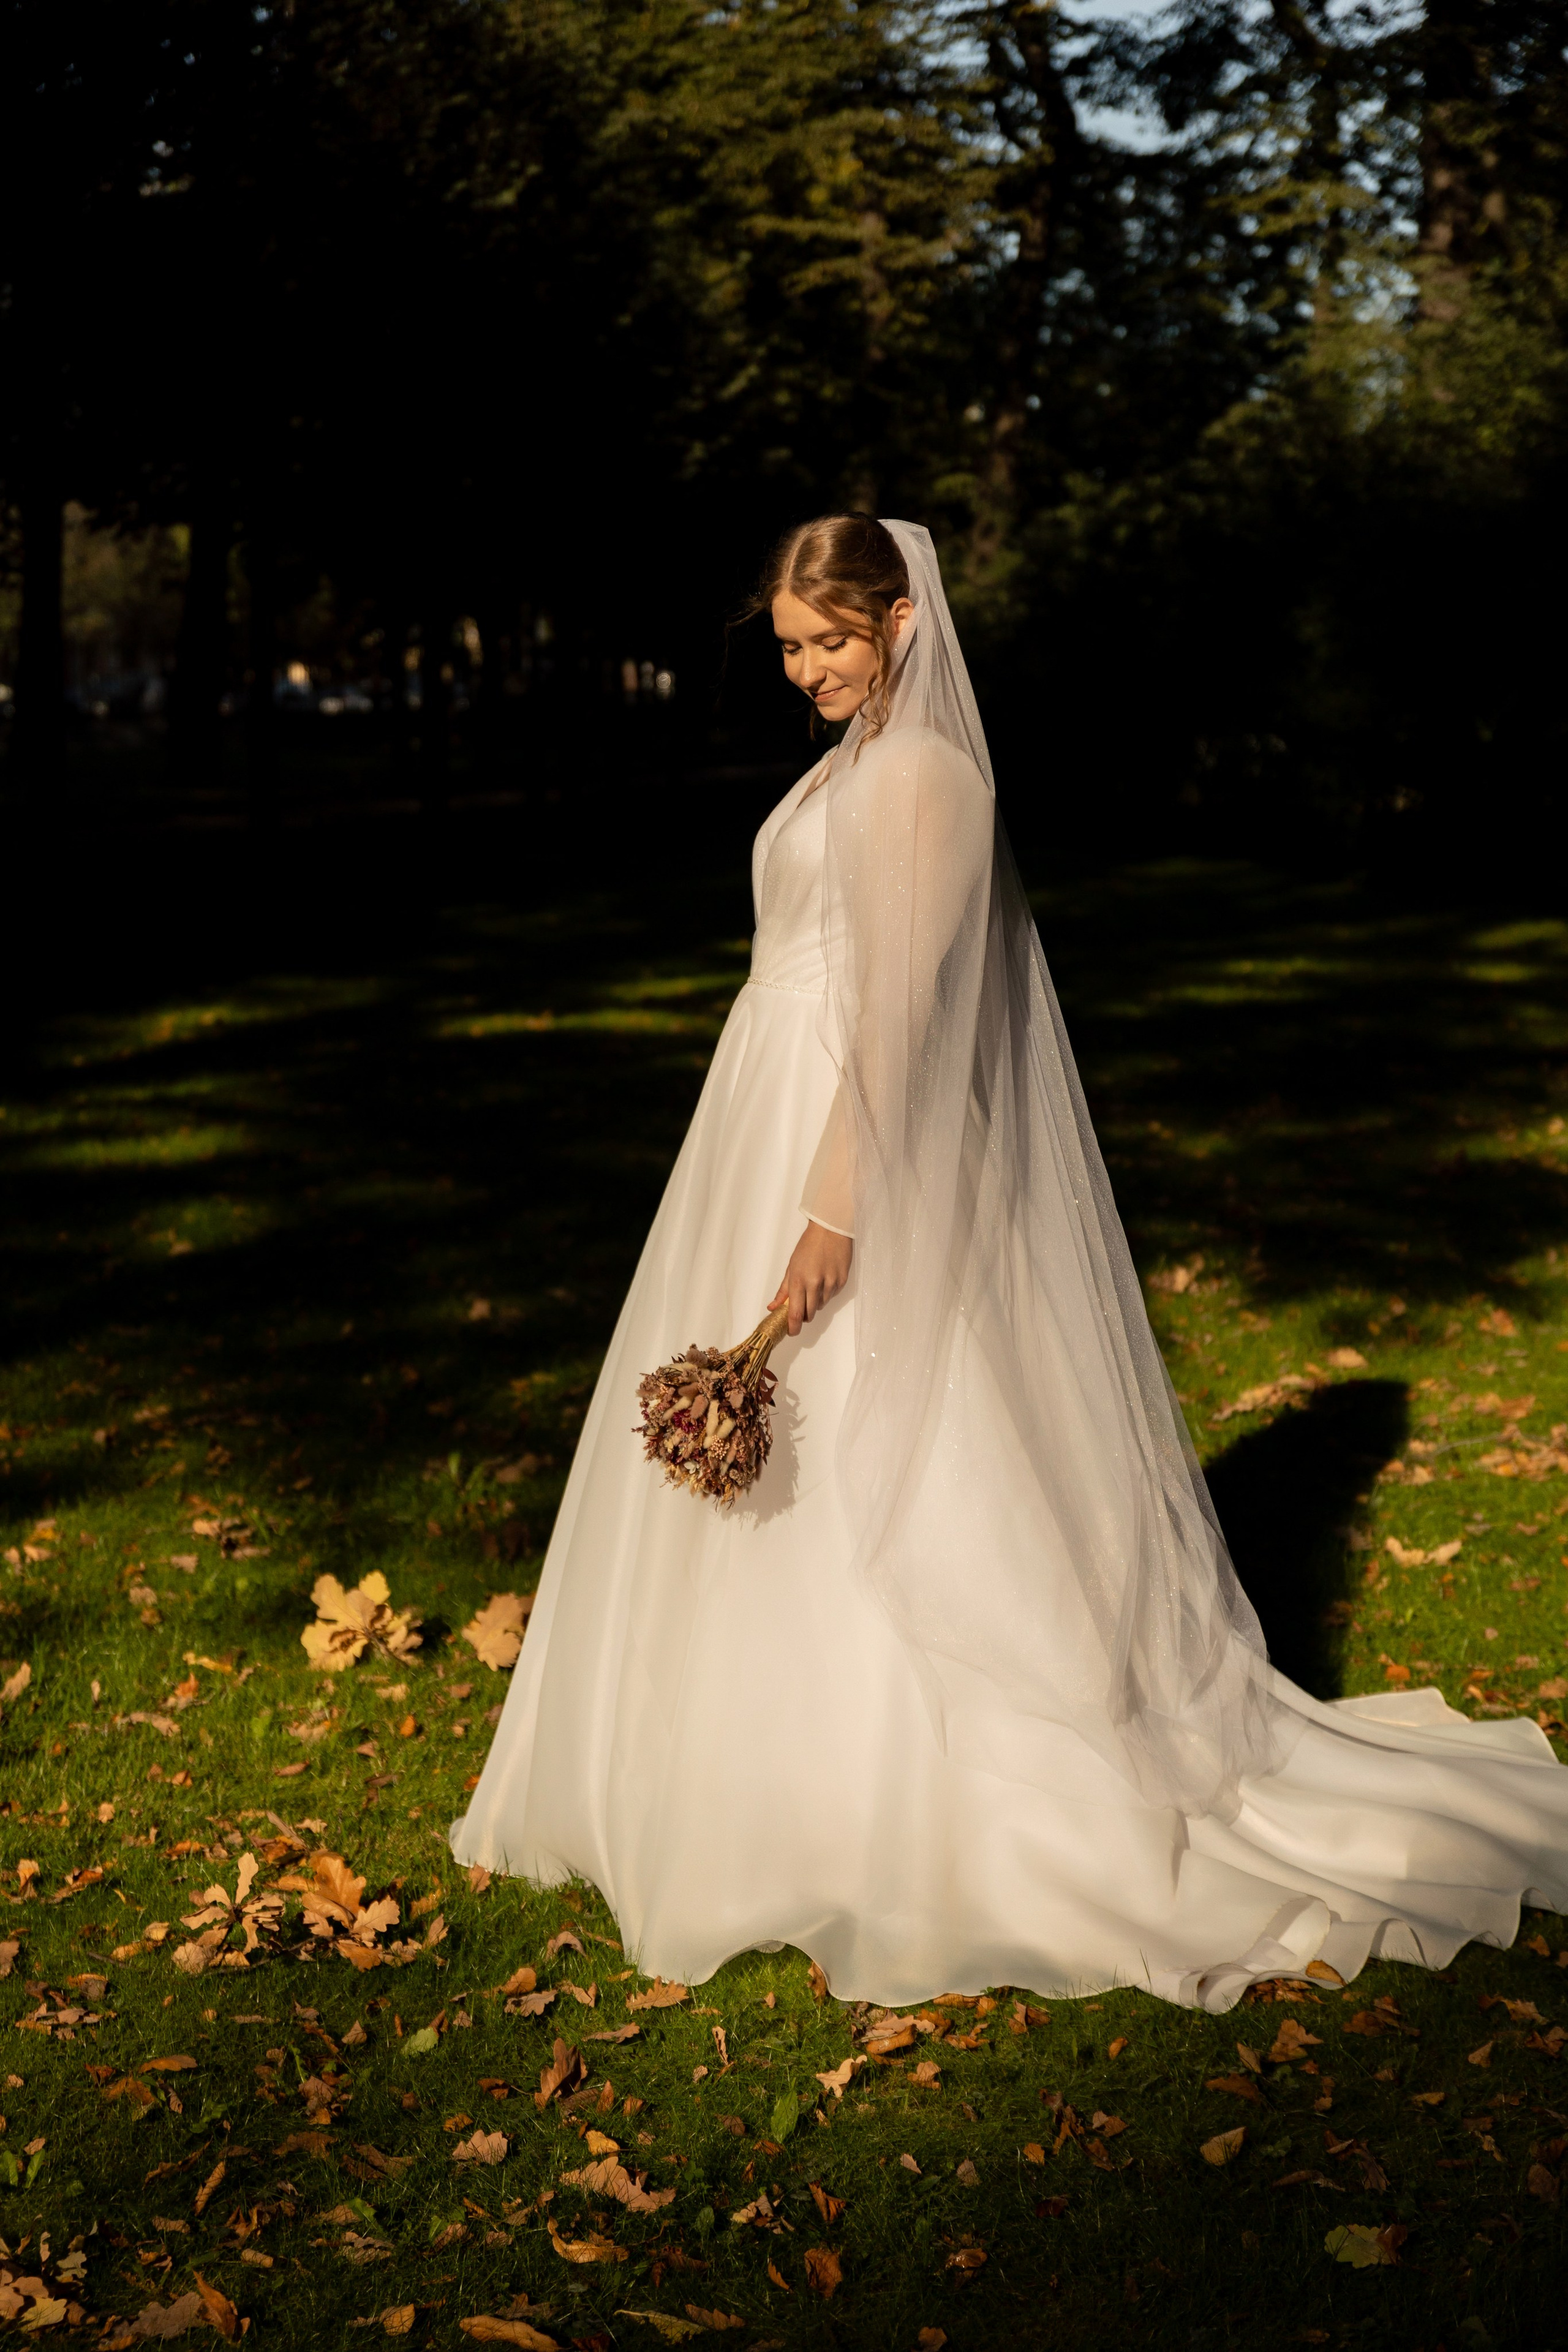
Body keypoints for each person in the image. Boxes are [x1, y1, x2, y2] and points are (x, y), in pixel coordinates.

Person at [452, 514, 1568, 2010]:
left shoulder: (922, 774)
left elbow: (903, 1020)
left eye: (829, 640)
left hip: (846, 1139)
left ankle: (909, 1790)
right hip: (759, 1111)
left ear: (901, 621)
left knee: (886, 1437)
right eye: (787, 647)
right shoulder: (852, 762)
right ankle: (727, 1763)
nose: (806, 669)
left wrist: (837, 1212)